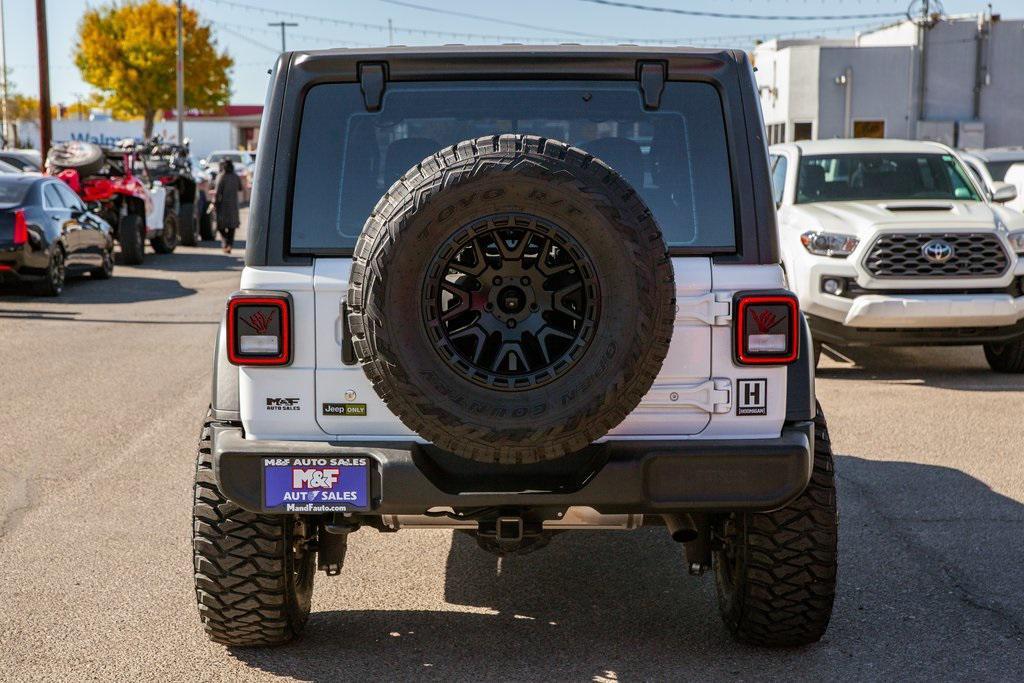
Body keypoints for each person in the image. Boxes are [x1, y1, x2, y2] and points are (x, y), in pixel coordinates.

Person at [213, 159, 242, 253]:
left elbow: (217, 192)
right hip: (234, 205)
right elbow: (240, 188)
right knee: (231, 227)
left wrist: (215, 203)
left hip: (223, 205)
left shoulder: (221, 177)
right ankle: (229, 245)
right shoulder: (236, 177)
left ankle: (225, 243)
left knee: (220, 226)